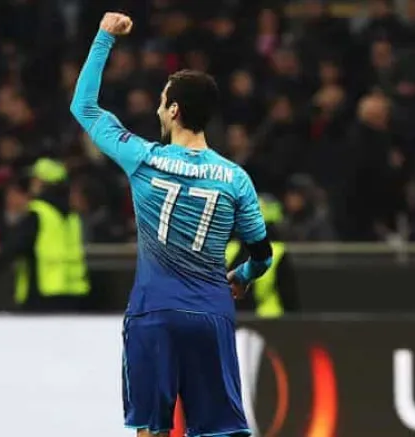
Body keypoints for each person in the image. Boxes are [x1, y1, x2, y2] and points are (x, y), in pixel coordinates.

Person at [70, 13, 272, 437]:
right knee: (219, 430)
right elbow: (262, 254)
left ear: (175, 110)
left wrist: (104, 36)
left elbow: (83, 107)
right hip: (210, 314)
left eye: (163, 102)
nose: (159, 109)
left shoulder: (143, 158)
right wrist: (242, 276)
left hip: (154, 311)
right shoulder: (235, 178)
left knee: (151, 427)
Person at [0, 158, 91, 313]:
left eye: (35, 179)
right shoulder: (73, 217)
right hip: (72, 293)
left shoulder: (39, 214)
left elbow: (12, 248)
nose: (31, 184)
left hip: (42, 294)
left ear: (43, 183)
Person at [227, 196, 300, 318]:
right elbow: (290, 300)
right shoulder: (278, 252)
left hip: (241, 320)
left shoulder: (229, 250)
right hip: (268, 322)